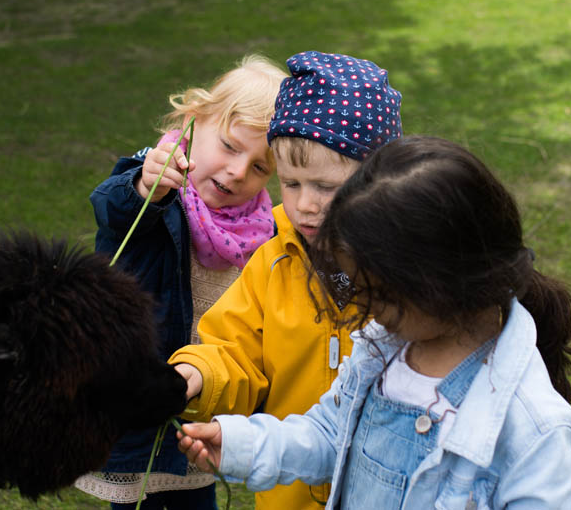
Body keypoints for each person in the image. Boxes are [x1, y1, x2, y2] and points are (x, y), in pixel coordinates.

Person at [178, 135, 571, 509]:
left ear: (444, 281)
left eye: (379, 294)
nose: (365, 308)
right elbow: (329, 434)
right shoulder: (381, 351)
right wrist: (243, 445)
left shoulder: (537, 434)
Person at [167, 50, 403, 509]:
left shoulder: (406, 266)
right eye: (291, 183)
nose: (306, 205)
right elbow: (234, 351)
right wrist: (193, 376)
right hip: (289, 493)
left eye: (327, 187)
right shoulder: (273, 256)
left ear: (379, 180)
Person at [74, 54, 287, 510]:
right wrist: (145, 185)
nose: (237, 171)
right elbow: (112, 210)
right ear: (193, 122)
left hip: (205, 402)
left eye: (259, 167)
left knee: (195, 495)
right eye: (230, 147)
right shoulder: (160, 186)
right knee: (138, 497)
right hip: (142, 392)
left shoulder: (260, 226)